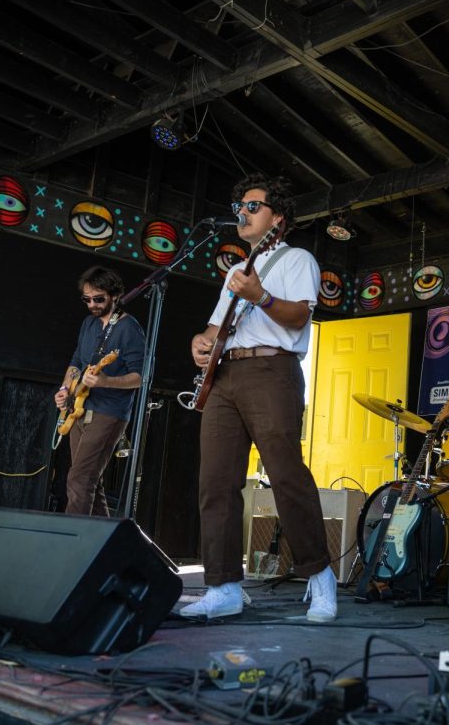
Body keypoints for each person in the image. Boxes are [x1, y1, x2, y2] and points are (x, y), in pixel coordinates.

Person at [183, 173, 336, 622]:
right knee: (216, 482)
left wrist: (261, 296)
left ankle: (320, 575)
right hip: (226, 374)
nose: (242, 213)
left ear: (278, 219)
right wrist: (200, 340)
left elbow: (296, 318)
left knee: (285, 474)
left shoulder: (298, 259)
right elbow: (216, 328)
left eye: (253, 206)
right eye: (240, 207)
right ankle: (224, 585)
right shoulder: (235, 271)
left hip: (272, 370)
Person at [53, 266, 145, 517]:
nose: (92, 304)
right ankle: (106, 544)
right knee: (89, 481)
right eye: (87, 299)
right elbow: (76, 361)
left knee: (79, 478)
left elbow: (141, 377)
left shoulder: (129, 328)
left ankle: (73, 541)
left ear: (115, 295)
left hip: (109, 412)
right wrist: (64, 389)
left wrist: (106, 382)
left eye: (98, 298)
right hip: (78, 406)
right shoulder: (88, 323)